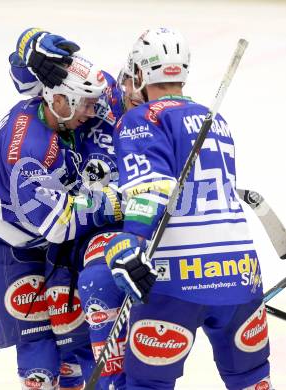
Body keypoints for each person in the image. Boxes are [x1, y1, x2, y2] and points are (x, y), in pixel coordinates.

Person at [104, 28, 273, 390]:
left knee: (147, 383)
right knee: (252, 379)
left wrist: (130, 241)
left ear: (140, 74)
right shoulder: (217, 120)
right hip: (241, 274)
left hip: (176, 278)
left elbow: (152, 188)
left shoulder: (141, 119)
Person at [0, 29, 122, 390]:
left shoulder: (58, 98)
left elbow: (22, 66)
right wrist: (111, 204)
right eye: (84, 104)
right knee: (39, 359)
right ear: (59, 100)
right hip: (9, 247)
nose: (91, 111)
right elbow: (58, 224)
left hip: (49, 237)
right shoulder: (28, 151)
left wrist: (32, 43)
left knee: (76, 343)